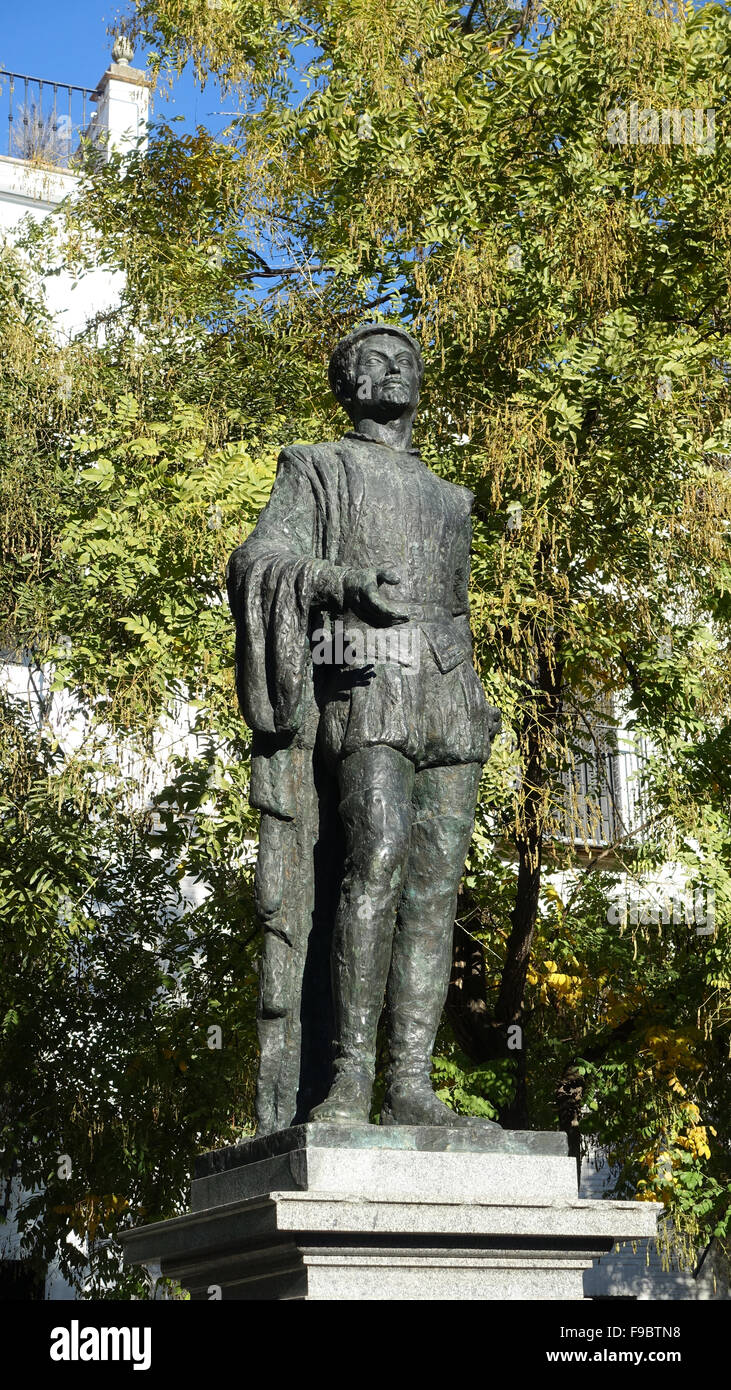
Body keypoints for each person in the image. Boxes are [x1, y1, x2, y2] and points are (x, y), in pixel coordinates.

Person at [227, 323, 501, 1132]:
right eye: (371, 361)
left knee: (435, 886)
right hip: (367, 671)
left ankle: (411, 1083)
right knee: (373, 856)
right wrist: (344, 581)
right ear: (345, 383)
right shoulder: (316, 465)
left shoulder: (452, 498)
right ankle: (349, 1079)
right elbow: (258, 562)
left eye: (405, 359)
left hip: (451, 689)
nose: (391, 369)